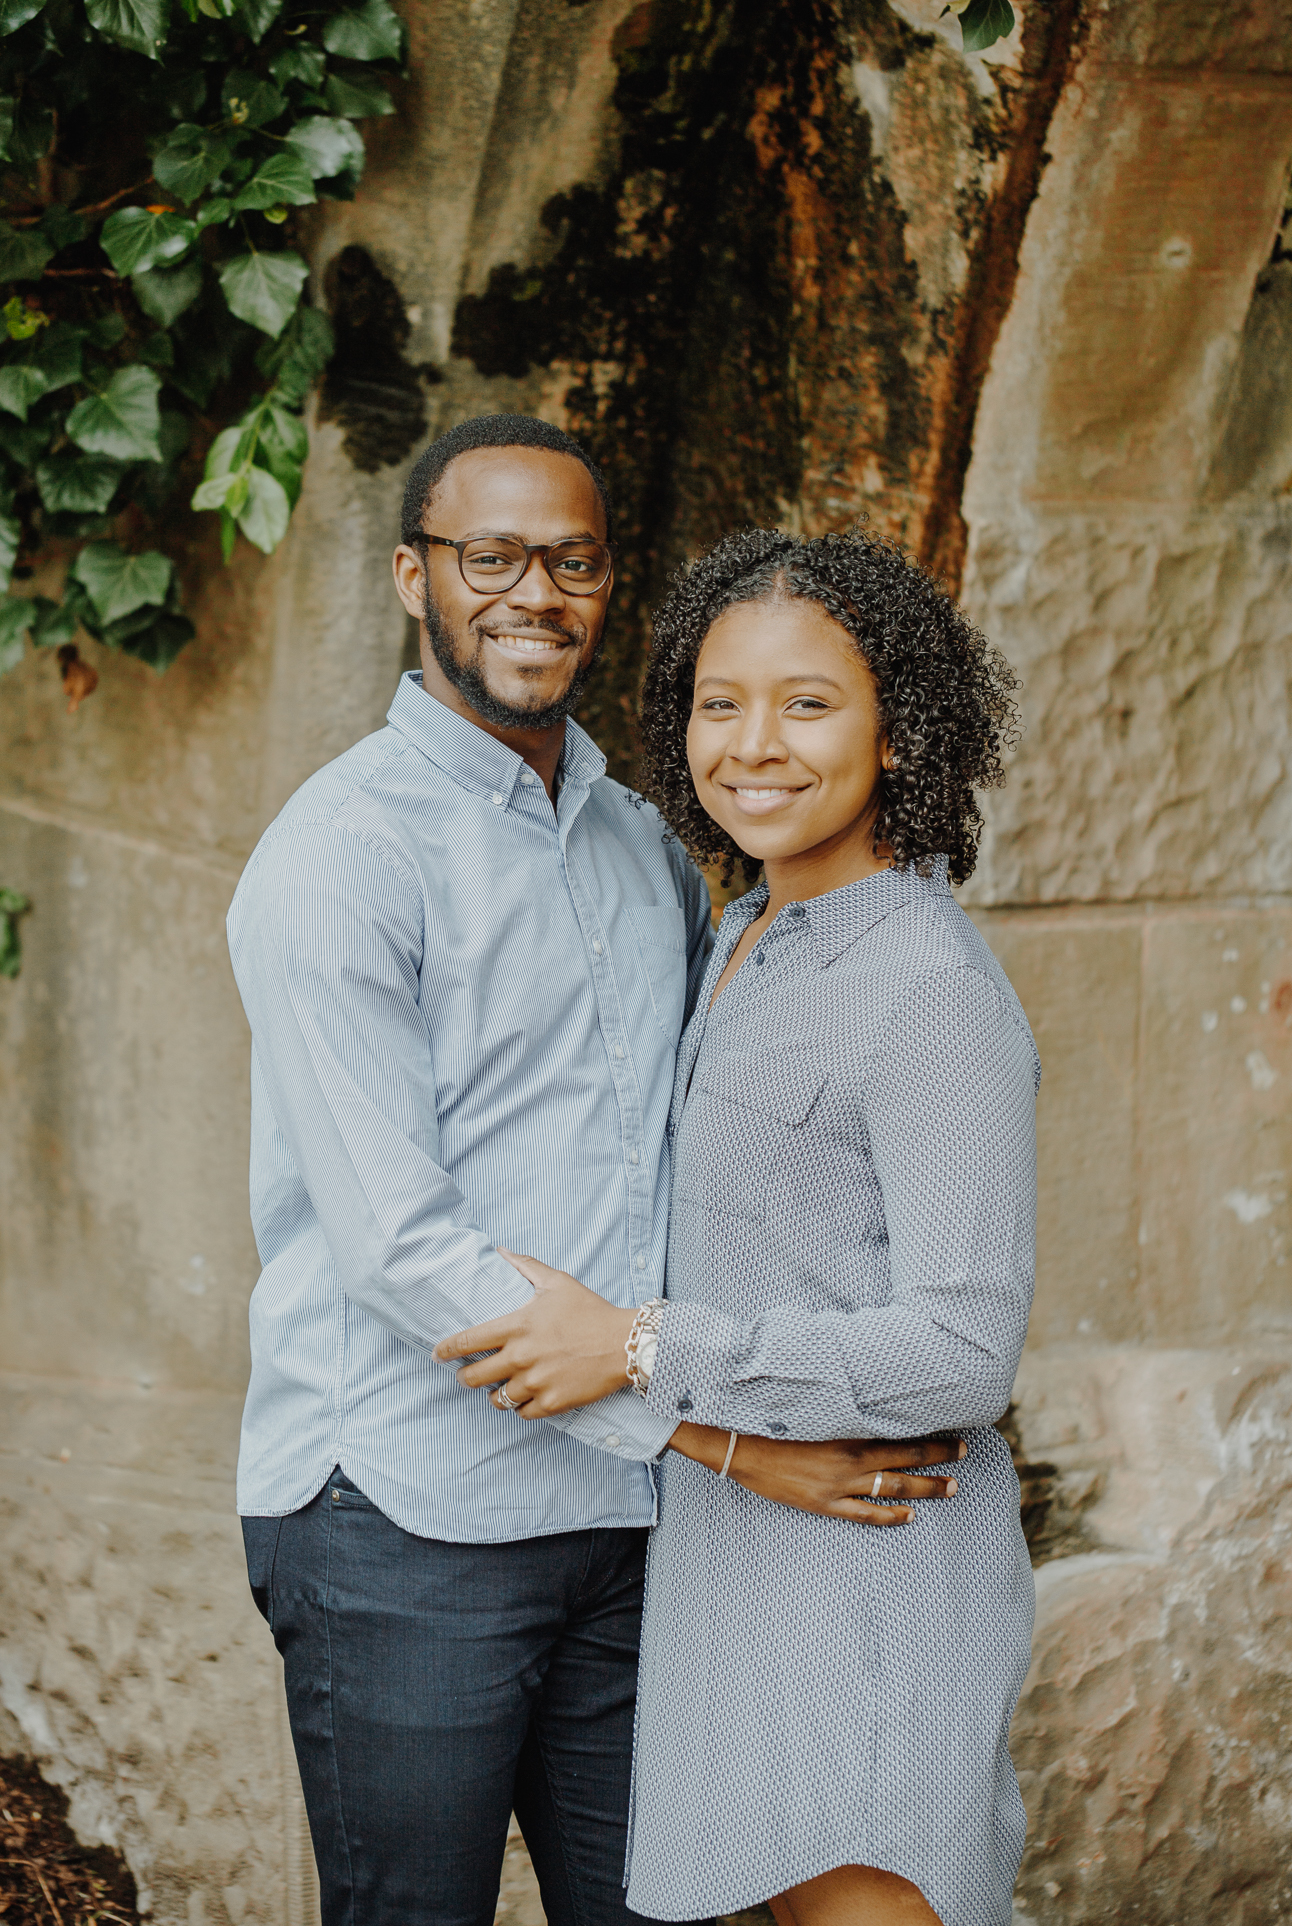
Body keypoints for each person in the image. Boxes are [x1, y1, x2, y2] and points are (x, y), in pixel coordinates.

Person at [227, 423, 966, 1926]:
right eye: (489, 556)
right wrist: (713, 1436)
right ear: (411, 575)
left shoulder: (637, 841)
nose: (533, 593)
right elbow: (398, 1248)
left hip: (630, 1537)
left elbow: (719, 1165)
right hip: (404, 1517)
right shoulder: (339, 856)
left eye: (571, 559)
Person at [435, 527, 1038, 1926]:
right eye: (721, 703)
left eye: (808, 703)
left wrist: (639, 1346)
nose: (753, 744)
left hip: (873, 1571)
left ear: (901, 733)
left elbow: (965, 1342)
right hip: (736, 1559)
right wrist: (703, 1430)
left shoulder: (922, 983)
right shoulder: (747, 930)